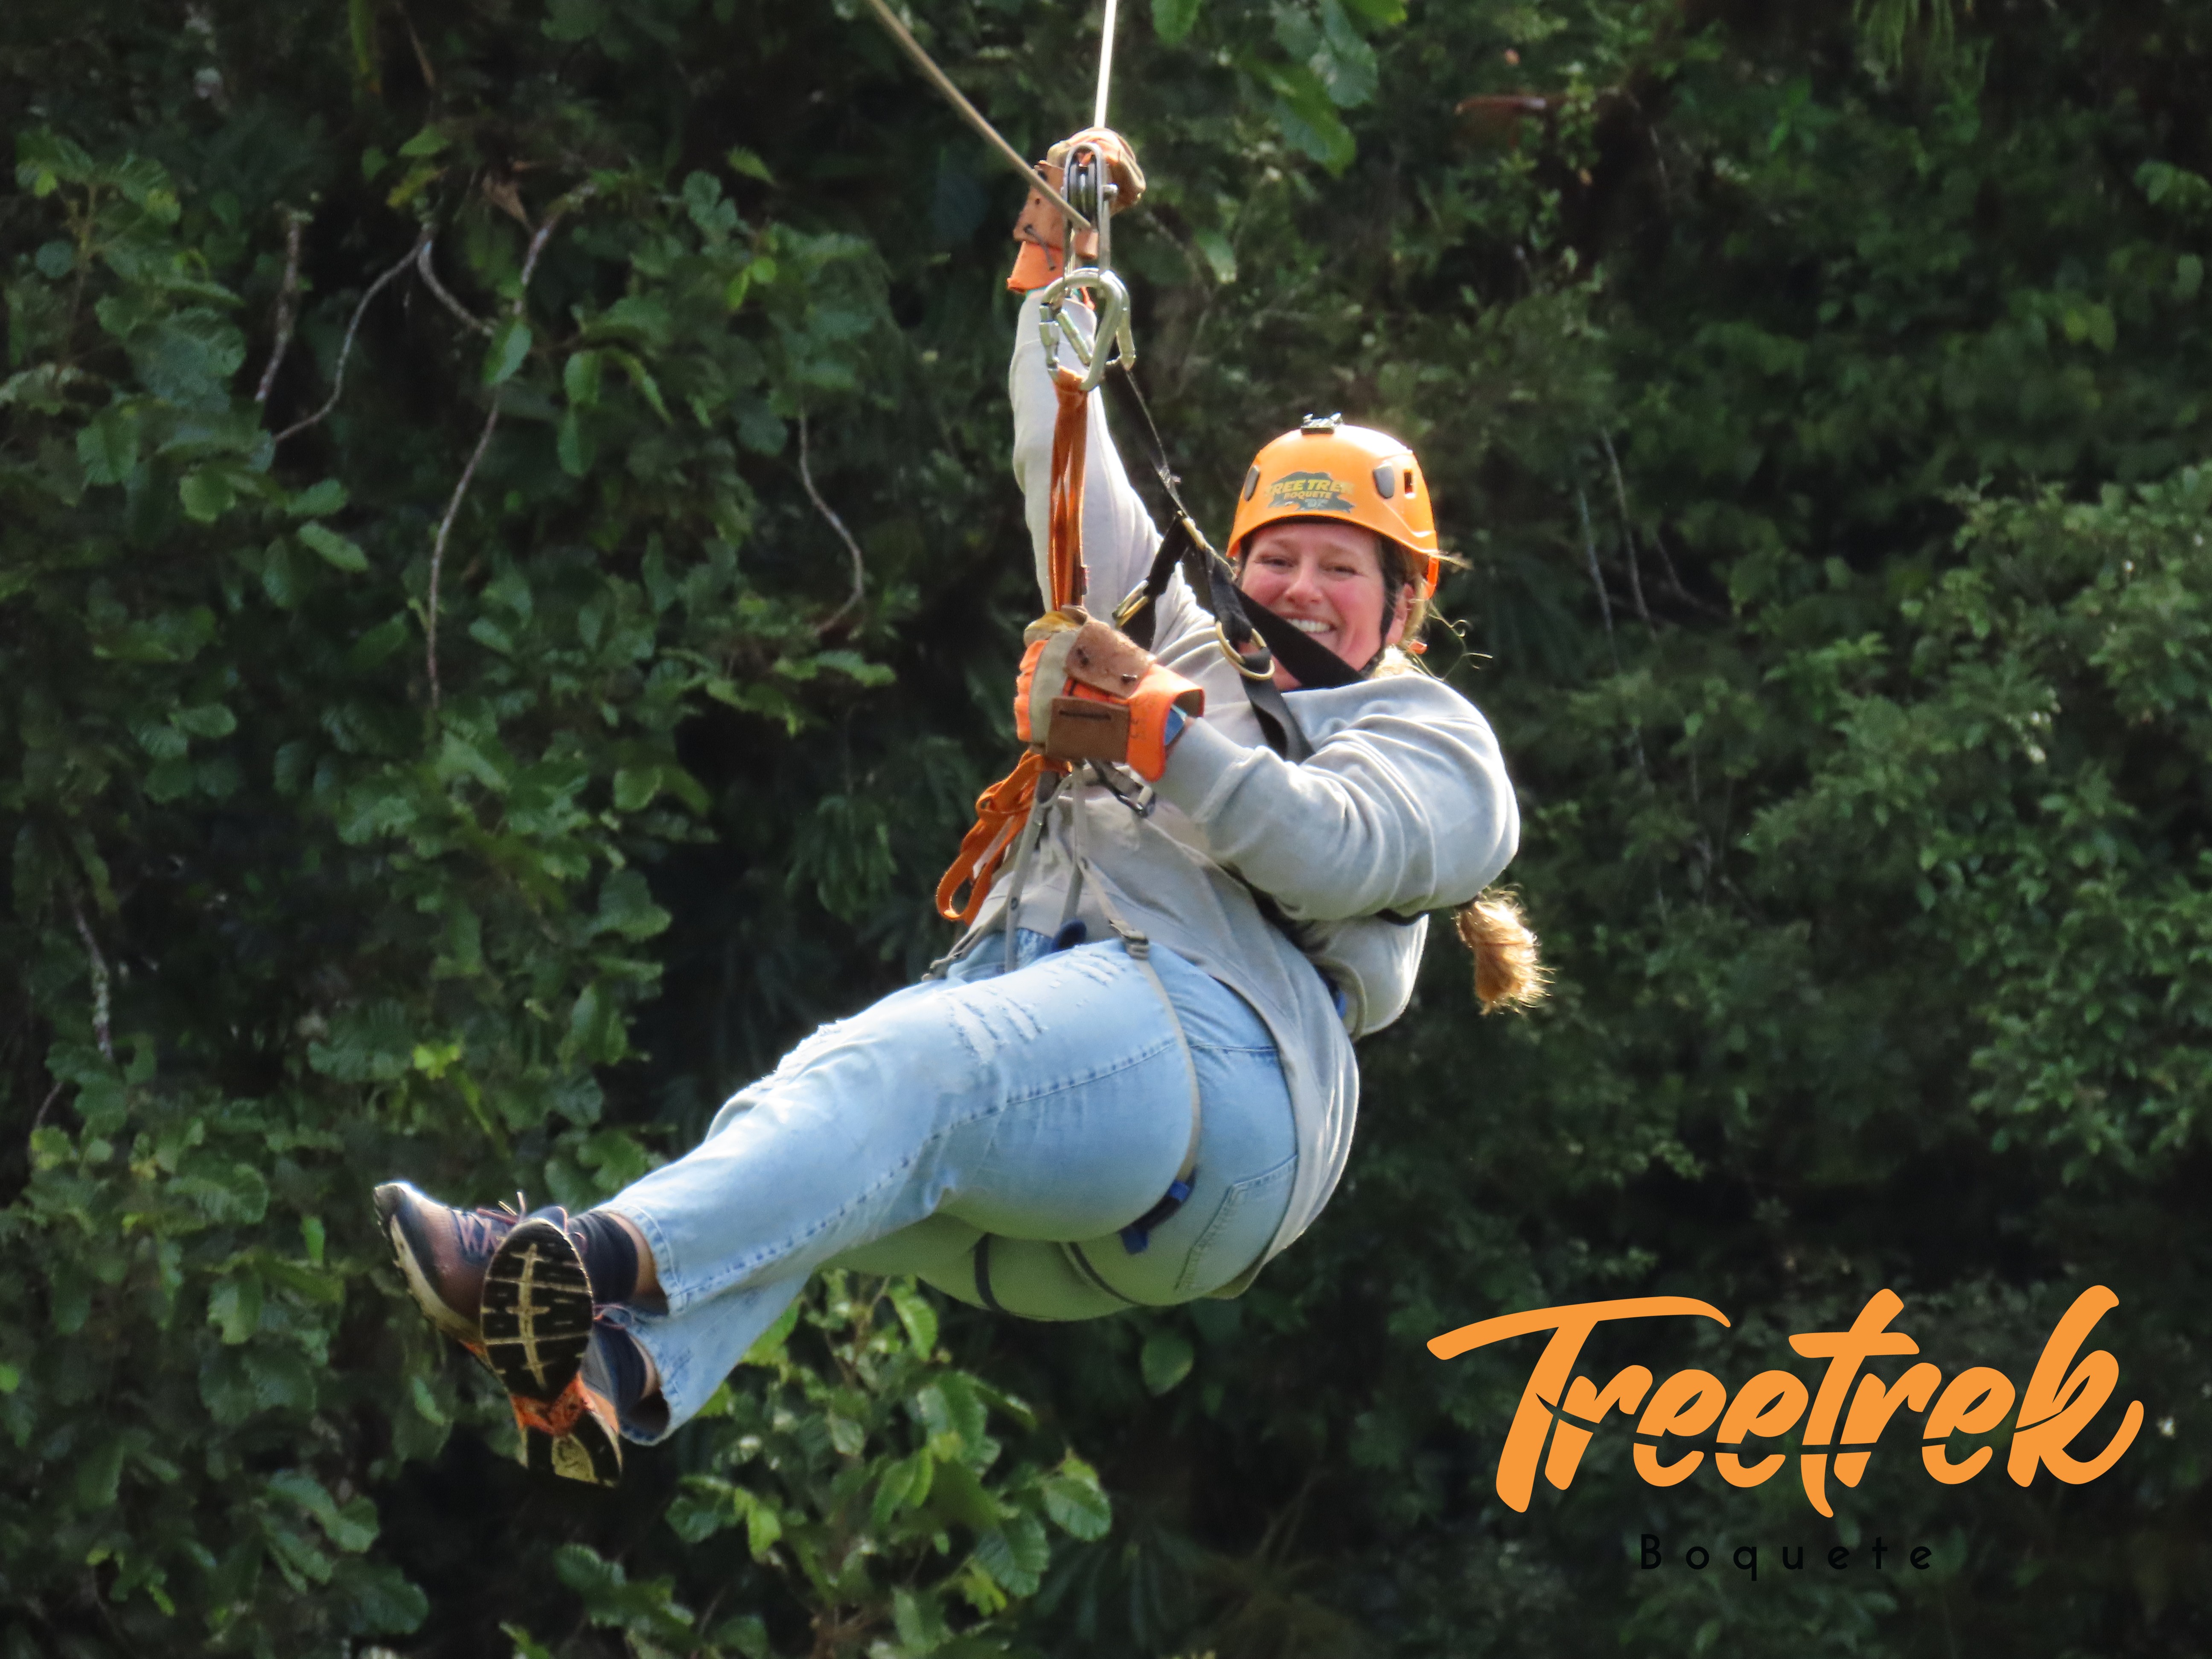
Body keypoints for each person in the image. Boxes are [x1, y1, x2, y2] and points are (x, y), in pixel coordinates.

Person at [374, 129, 1537, 1486]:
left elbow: (1328, 850)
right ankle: (615, 1374)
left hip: (1229, 1091)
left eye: (1341, 566)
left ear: (1406, 605)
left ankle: (573, 1261)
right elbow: (1065, 454)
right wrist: (1056, 267)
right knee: (816, 1116)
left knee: (905, 1071)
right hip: (1065, 1165)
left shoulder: (1430, 740)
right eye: (1276, 557)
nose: (1299, 588)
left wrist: (1160, 734)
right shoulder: (1175, 627)